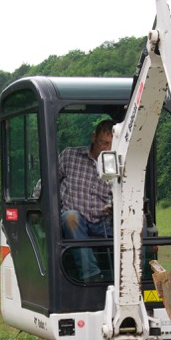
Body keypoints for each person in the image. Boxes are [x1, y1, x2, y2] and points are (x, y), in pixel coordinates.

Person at [58, 119, 114, 280]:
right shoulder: (70, 156)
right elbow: (49, 181)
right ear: (94, 138)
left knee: (138, 223)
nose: (107, 149)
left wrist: (114, 207)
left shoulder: (118, 163)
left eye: (112, 144)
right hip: (76, 219)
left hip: (104, 221)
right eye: (104, 143)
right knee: (70, 217)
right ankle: (91, 275)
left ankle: (136, 275)